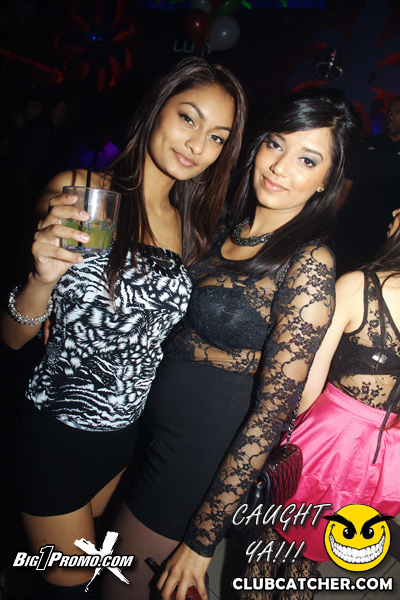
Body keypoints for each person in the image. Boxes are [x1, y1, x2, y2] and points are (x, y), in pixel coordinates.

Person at [98, 87, 361, 600]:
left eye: (307, 159)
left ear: (326, 180)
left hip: (197, 462)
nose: (279, 167)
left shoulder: (309, 263)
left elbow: (273, 412)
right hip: (141, 434)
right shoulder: (222, 226)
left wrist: (202, 539)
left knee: (118, 587)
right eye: (276, 144)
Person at [0, 56, 247, 600]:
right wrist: (41, 278)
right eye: (188, 118)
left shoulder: (194, 229)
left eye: (217, 137)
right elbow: (13, 336)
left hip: (125, 438)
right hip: (56, 429)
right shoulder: (80, 192)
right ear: (157, 107)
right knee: (70, 580)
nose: (197, 144)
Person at [238, 208, 400, 600]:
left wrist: (288, 436)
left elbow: (308, 380)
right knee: (308, 560)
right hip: (383, 457)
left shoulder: (361, 286)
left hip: (329, 439)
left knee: (269, 548)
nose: (394, 211)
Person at [333, 95, 400, 276]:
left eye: (397, 112)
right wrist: (327, 219)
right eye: (390, 111)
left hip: (385, 236)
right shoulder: (367, 145)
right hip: (353, 228)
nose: (391, 116)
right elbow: (344, 188)